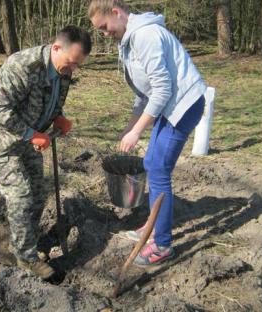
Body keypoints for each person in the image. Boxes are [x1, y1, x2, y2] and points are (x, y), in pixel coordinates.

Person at [88, 0, 207, 265]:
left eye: (105, 27)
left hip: (183, 106)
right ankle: (153, 226)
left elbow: (162, 89)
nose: (105, 34)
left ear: (117, 13)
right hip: (170, 106)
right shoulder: (128, 41)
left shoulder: (145, 35)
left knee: (158, 169)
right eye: (101, 30)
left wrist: (137, 132)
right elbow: (144, 94)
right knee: (152, 164)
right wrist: (130, 126)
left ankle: (162, 245)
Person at [0, 26, 91, 278]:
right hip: (2, 138)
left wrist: (59, 117)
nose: (73, 71)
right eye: (71, 63)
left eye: (78, 66)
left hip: (29, 138)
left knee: (38, 193)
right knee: (21, 195)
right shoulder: (22, 66)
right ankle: (26, 259)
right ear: (56, 47)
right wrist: (32, 134)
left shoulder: (64, 70)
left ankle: (24, 242)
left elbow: (53, 101)